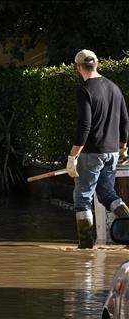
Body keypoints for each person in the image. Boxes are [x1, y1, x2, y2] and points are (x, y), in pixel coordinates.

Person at [66, 49, 129, 249]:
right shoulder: (114, 87)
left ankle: (85, 247)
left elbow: (84, 126)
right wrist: (122, 148)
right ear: (97, 64)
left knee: (82, 198)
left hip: (92, 152)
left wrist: (73, 155)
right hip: (111, 152)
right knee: (107, 195)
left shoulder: (84, 90)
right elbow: (125, 121)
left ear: (78, 68)